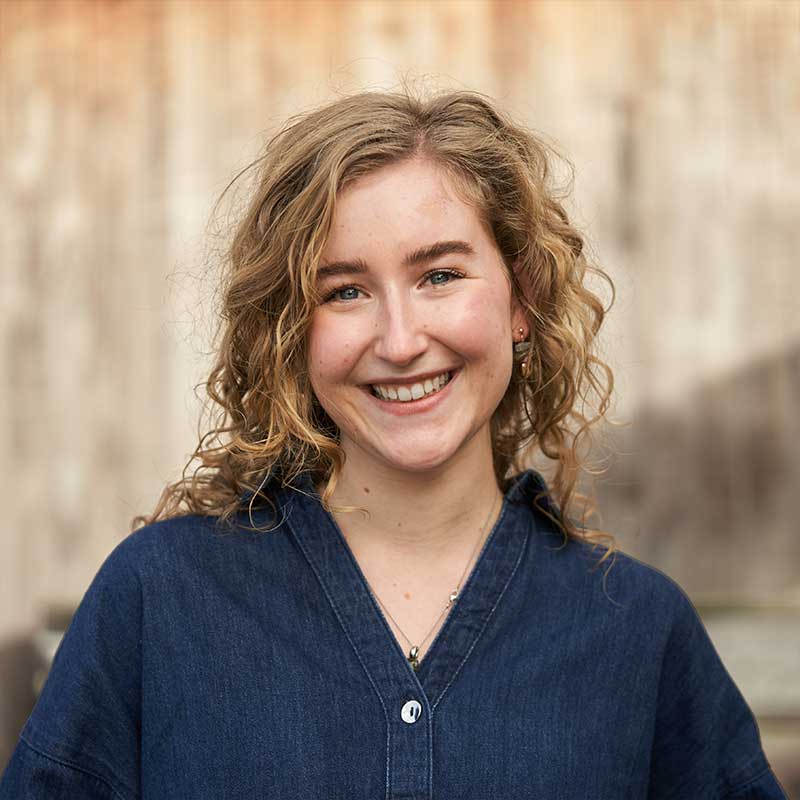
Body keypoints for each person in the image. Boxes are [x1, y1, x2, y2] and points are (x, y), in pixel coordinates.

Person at [1, 88, 787, 799]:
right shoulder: (159, 599)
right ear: (290, 332)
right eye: (344, 291)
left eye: (439, 275)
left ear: (522, 299)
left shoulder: (638, 632)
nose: (401, 340)